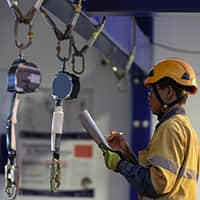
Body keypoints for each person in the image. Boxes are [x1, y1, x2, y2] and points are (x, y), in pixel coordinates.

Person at [101, 57, 200, 199]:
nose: (149, 97)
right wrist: (126, 153)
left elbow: (156, 185)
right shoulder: (186, 129)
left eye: (152, 91)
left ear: (168, 92)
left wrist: (119, 164)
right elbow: (160, 179)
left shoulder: (170, 128)